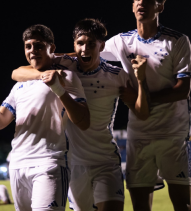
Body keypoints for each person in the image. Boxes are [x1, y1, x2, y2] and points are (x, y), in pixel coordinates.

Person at [12, 18, 150, 211]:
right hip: (73, 165)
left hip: (105, 161)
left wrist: (141, 80)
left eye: (91, 44)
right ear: (74, 45)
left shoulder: (116, 75)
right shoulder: (65, 66)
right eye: (80, 43)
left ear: (101, 46)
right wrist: (46, 75)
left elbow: (142, 112)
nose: (85, 49)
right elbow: (17, 72)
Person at [0, 24, 89, 211]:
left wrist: (58, 88)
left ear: (52, 48)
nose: (33, 50)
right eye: (28, 46)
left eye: (39, 45)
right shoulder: (20, 85)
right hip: (18, 164)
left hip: (50, 162)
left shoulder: (66, 77)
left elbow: (83, 120)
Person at [100, 0, 191, 211]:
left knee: (182, 204)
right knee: (141, 207)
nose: (141, 2)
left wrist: (144, 100)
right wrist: (49, 59)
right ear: (132, 6)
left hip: (172, 135)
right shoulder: (120, 42)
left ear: (160, 6)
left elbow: (183, 90)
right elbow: (86, 53)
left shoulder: (178, 41)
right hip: (138, 135)